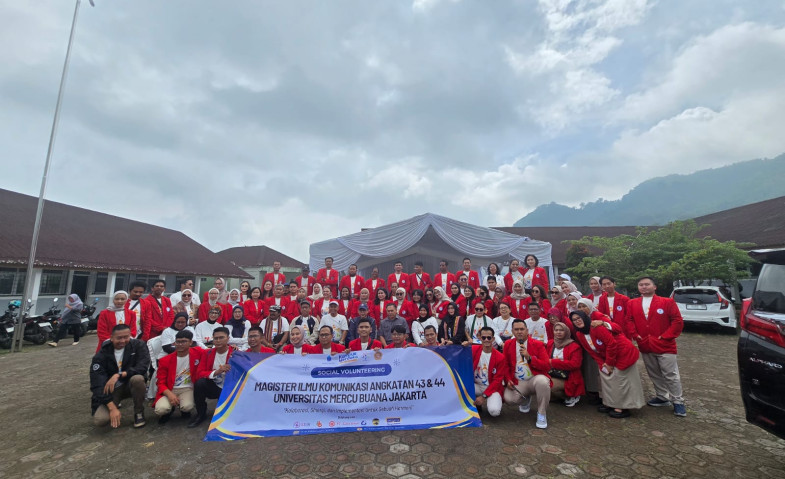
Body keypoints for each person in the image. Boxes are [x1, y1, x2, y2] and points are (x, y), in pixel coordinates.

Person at [625, 276, 686, 417]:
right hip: (645, 343)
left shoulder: (667, 302)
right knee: (654, 373)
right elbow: (629, 320)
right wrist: (635, 334)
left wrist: (665, 336)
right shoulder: (632, 303)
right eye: (641, 285)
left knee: (670, 374)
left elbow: (677, 321)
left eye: (647, 284)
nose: (644, 287)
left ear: (654, 287)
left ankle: (677, 401)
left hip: (665, 345)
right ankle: (662, 396)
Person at [570, 311, 645, 419]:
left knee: (620, 380)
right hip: (607, 356)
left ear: (584, 318)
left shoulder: (596, 327)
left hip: (623, 354)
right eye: (574, 320)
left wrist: (609, 363)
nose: (577, 321)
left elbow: (612, 344)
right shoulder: (579, 334)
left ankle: (622, 407)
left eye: (579, 318)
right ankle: (610, 403)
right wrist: (602, 365)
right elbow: (591, 352)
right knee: (606, 379)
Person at [90, 324, 150, 428]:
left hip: (130, 384)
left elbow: (143, 366)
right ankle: (114, 406)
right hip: (112, 389)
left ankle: (139, 412)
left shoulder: (138, 345)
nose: (122, 341)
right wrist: (112, 407)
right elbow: (97, 383)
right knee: (100, 420)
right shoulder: (102, 354)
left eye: (126, 337)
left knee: (138, 379)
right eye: (119, 338)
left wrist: (119, 375)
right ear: (111, 338)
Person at [502, 319, 551, 428]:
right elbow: (504, 365)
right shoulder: (508, 344)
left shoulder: (537, 344)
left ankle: (542, 413)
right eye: (516, 329)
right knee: (509, 399)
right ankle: (526, 398)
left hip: (534, 379)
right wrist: (508, 380)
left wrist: (529, 358)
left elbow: (547, 366)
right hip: (518, 380)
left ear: (527, 330)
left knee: (543, 382)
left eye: (522, 329)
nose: (519, 332)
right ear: (512, 331)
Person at [154, 329, 202, 425]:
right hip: (170, 389)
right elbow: (160, 382)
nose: (180, 344)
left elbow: (213, 352)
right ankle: (169, 410)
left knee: (187, 407)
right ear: (174, 343)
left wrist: (232, 349)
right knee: (161, 409)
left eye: (184, 342)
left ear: (191, 342)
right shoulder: (165, 360)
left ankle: (184, 410)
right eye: (178, 342)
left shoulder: (197, 352)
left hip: (187, 388)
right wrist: (169, 394)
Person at [189, 327, 233, 428]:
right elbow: (200, 373)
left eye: (221, 338)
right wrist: (216, 372)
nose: (218, 341)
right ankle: (201, 414)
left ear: (228, 339)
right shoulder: (207, 353)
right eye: (215, 338)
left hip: (230, 388)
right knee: (199, 383)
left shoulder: (235, 353)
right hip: (214, 385)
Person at [545, 322, 584, 407]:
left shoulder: (574, 346)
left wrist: (553, 362)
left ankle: (571, 396)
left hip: (569, 375)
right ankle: (560, 396)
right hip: (553, 373)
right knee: (540, 384)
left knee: (548, 385)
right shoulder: (551, 343)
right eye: (556, 330)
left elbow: (575, 364)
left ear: (566, 331)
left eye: (561, 330)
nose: (558, 332)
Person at [472, 326, 506, 417]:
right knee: (460, 387)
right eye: (483, 337)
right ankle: (475, 404)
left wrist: (484, 397)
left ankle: (490, 401)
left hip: (491, 387)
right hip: (476, 385)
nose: (486, 340)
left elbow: (498, 380)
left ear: (493, 339)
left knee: (494, 412)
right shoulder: (473, 350)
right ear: (479, 338)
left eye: (489, 337)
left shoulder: (500, 357)